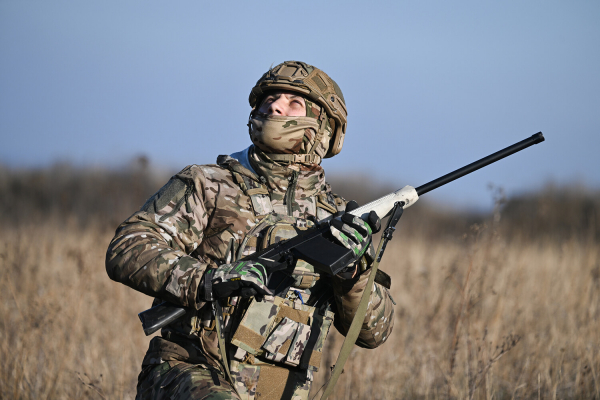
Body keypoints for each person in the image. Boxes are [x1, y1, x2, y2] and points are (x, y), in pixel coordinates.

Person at [106, 61, 396, 400]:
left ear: (324, 126)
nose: (275, 106)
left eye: (293, 102)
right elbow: (128, 247)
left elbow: (375, 332)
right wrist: (208, 280)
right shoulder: (209, 185)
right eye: (269, 99)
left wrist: (352, 273)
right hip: (189, 374)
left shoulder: (339, 222)